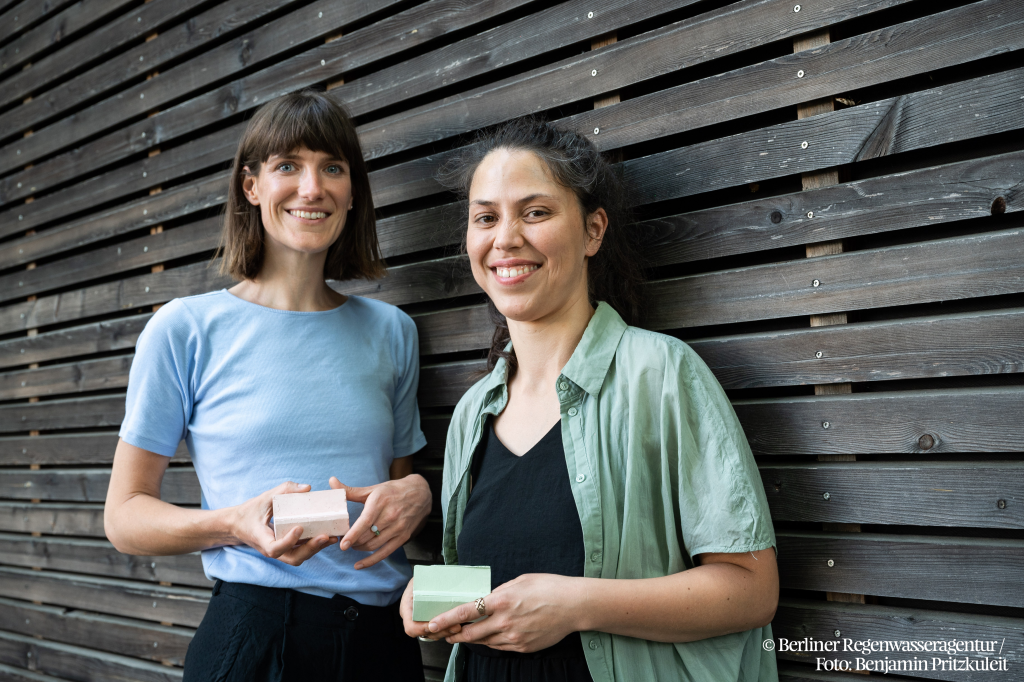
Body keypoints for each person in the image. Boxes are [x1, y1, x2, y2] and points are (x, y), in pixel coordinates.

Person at [399, 119, 779, 682]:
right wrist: (431, 598)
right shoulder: (472, 413)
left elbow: (751, 592)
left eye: (535, 212)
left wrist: (575, 605)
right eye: (486, 217)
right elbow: (486, 579)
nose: (505, 238)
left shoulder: (662, 373)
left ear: (593, 231)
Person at [104, 90, 431, 681]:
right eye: (288, 166)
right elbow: (124, 518)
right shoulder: (185, 328)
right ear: (251, 186)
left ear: (353, 192)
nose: (312, 188)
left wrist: (418, 496)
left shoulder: (393, 332)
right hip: (256, 638)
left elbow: (394, 487)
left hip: (384, 641)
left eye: (333, 168)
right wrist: (232, 524)